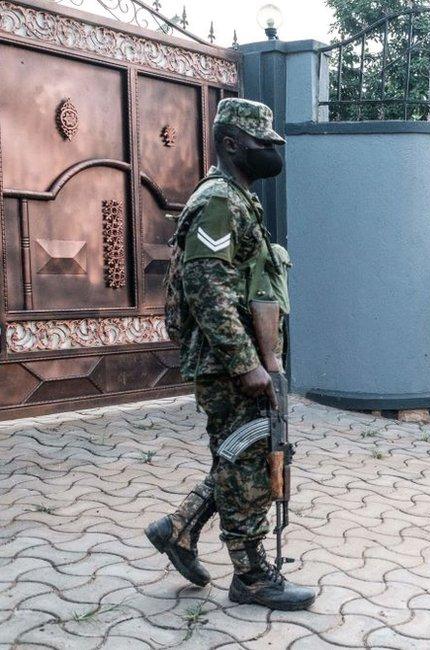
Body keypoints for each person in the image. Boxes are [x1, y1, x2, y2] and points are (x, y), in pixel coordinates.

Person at [144, 98, 314, 611]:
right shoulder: (219, 200)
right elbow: (207, 286)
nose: (271, 151)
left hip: (246, 361)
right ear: (232, 143)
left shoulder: (241, 199)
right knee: (249, 465)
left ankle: (177, 528)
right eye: (263, 143)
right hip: (229, 364)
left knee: (241, 455)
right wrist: (246, 365)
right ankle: (251, 577)